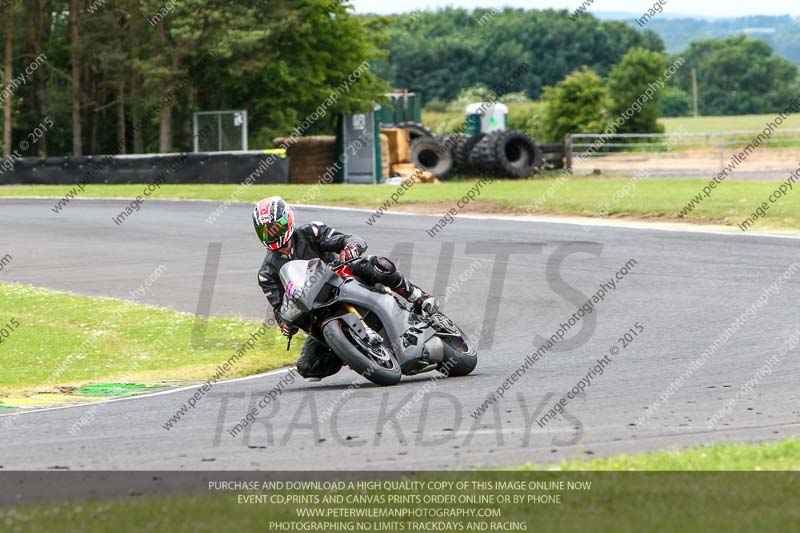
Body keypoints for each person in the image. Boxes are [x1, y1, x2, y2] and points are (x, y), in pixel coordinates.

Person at [254, 196, 439, 381]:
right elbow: (279, 309)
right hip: (317, 311)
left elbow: (348, 239)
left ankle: (417, 295)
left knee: (375, 264)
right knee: (307, 367)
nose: (271, 233)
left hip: (343, 278)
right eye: (265, 230)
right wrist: (286, 324)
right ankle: (354, 352)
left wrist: (351, 247)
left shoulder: (311, 231)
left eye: (275, 227)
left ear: (287, 220)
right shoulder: (267, 273)